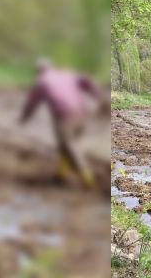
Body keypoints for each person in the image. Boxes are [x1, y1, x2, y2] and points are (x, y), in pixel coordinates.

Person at [19, 59, 109, 188]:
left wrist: (24, 118)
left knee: (70, 146)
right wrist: (100, 96)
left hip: (65, 116)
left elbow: (32, 103)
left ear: (38, 71)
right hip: (83, 114)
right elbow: (87, 81)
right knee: (65, 144)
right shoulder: (67, 74)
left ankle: (88, 180)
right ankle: (61, 174)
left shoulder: (42, 82)